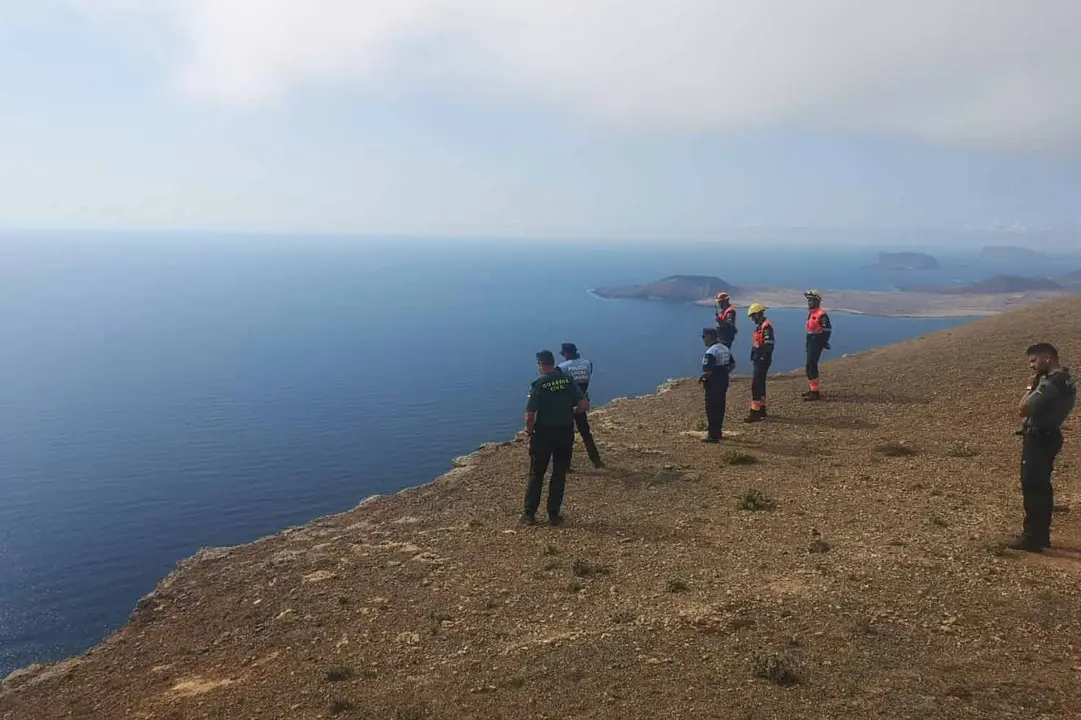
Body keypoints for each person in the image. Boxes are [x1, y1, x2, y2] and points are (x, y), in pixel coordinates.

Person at [1007, 343, 1076, 552]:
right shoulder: (1065, 380)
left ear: (1047, 358)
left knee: (1033, 487)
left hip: (1040, 438)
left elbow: (1024, 408)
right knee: (1042, 487)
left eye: (1034, 361)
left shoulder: (1051, 382)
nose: (1032, 366)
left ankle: (1032, 537)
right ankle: (1040, 534)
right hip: (1049, 436)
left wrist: (1030, 387)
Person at [522, 350, 588, 526]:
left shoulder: (539, 384)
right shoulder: (567, 381)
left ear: (540, 365)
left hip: (544, 434)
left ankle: (529, 514)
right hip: (565, 432)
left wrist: (529, 431)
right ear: (553, 362)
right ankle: (554, 514)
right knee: (559, 473)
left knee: (537, 474)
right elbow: (583, 404)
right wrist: (571, 413)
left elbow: (530, 415)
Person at [557, 342, 604, 468]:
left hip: (567, 405)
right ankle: (596, 461)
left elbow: (561, 387)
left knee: (567, 435)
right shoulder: (588, 364)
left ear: (566, 354)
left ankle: (565, 465)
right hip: (582, 402)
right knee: (586, 433)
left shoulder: (562, 368)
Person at [699, 327, 735, 442]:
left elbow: (708, 370)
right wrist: (724, 373)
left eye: (703, 337)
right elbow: (732, 365)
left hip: (714, 382)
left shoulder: (711, 352)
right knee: (720, 406)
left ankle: (712, 435)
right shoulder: (724, 348)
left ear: (709, 337)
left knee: (711, 407)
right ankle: (718, 431)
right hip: (723, 380)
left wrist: (704, 378)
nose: (703, 340)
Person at [744, 303, 774, 423]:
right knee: (760, 384)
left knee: (756, 385)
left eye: (753, 316)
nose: (752, 319)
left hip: (762, 359)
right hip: (759, 358)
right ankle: (762, 409)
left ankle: (755, 412)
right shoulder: (761, 326)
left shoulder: (766, 327)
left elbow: (769, 344)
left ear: (758, 314)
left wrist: (762, 356)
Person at [802, 289, 833, 401]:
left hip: (816, 341)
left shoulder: (821, 314)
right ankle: (812, 389)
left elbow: (827, 329)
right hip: (811, 340)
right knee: (809, 366)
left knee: (811, 365)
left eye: (811, 300)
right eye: (808, 300)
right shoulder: (812, 313)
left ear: (817, 301)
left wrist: (823, 342)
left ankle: (815, 392)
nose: (809, 302)